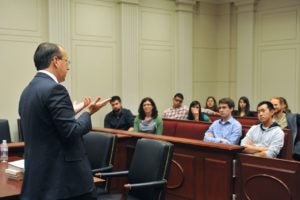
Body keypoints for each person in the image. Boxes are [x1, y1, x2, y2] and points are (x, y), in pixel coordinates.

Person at [18, 42, 111, 200]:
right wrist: (88, 112)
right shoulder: (55, 89)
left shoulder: (28, 91)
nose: (68, 67)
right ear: (56, 61)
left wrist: (70, 112)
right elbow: (71, 132)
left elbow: (45, 124)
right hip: (65, 182)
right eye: (67, 62)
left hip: (39, 178)